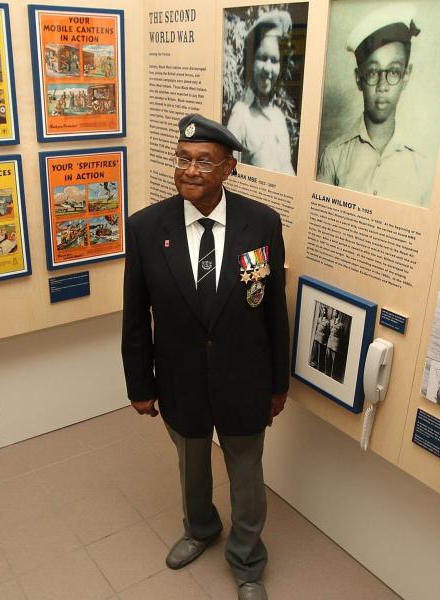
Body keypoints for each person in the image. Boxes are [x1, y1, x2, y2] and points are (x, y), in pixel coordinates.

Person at [121, 113, 289, 600]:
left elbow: (274, 311)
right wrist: (140, 386)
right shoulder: (147, 228)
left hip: (245, 381)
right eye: (183, 159)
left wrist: (279, 384)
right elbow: (136, 316)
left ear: (229, 169)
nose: (189, 170)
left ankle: (247, 558)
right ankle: (200, 529)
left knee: (247, 476)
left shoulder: (261, 223)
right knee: (192, 467)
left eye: (204, 162)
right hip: (180, 381)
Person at [317, 5, 429, 206]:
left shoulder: (422, 165)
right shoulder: (334, 156)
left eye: (393, 71)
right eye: (372, 72)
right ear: (359, 79)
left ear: (406, 75)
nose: (383, 86)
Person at [225, 10, 296, 175]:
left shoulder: (278, 116)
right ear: (251, 62)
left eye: (275, 60)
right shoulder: (241, 115)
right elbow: (229, 178)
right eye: (262, 58)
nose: (268, 69)